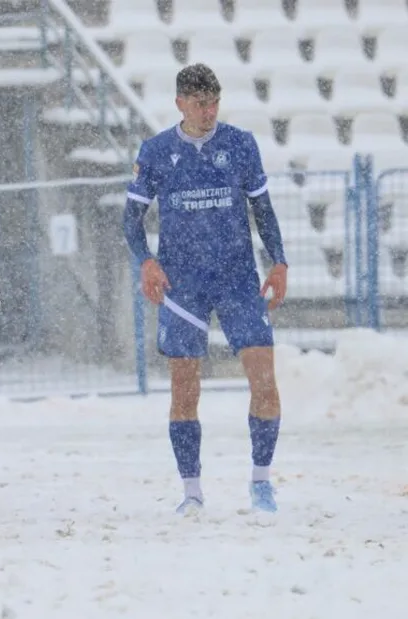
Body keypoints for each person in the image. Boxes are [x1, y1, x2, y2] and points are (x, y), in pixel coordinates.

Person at [122, 63, 288, 515]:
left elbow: (263, 209)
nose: (208, 111)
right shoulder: (156, 151)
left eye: (214, 102)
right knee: (184, 390)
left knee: (265, 380)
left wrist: (280, 261)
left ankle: (261, 482)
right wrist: (147, 262)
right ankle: (192, 491)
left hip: (236, 278)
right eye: (199, 103)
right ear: (180, 103)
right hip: (183, 284)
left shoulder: (239, 144)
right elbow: (130, 220)